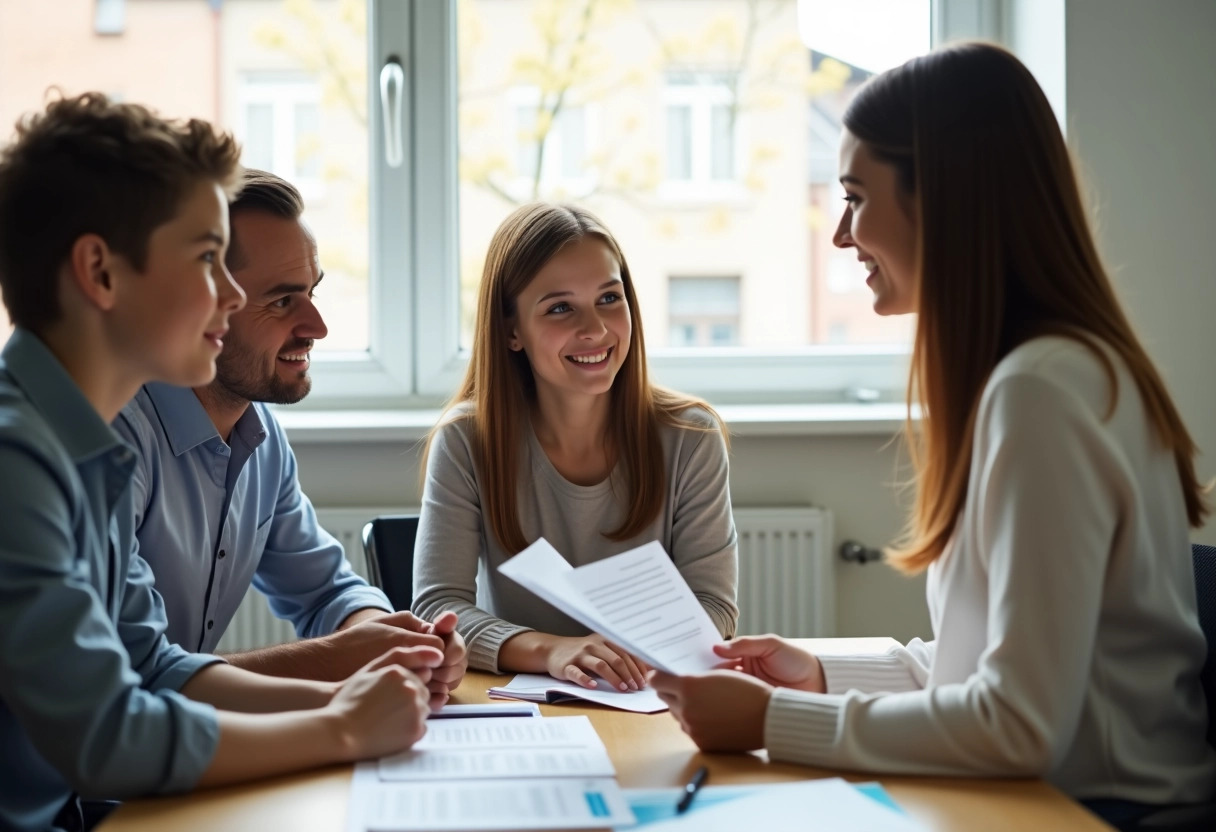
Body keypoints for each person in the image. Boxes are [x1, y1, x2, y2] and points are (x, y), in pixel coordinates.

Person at [650, 42, 1216, 823]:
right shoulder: (1041, 374)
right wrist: (815, 670)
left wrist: (772, 722)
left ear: (942, 199)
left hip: (1095, 812)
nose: (843, 235)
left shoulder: (1042, 393)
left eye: (855, 196)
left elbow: (1017, 726)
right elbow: (978, 672)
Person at [0, 93, 439, 832]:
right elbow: (109, 738)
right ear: (100, 273)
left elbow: (154, 669)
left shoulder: (85, 447)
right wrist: (340, 728)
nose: (231, 295)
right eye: (208, 259)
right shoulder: (17, 460)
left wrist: (352, 699)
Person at [113, 170, 466, 701]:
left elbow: (327, 592)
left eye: (312, 291)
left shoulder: (260, 438)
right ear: (198, 303)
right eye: (281, 301)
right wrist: (337, 662)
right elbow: (133, 681)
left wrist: (391, 638)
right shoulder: (114, 439)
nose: (317, 326)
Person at [413, 202, 739, 691]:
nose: (596, 329)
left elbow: (715, 607)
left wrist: (622, 659)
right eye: (560, 308)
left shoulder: (691, 437)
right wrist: (554, 650)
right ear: (512, 331)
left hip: (649, 697)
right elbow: (439, 608)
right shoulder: (466, 441)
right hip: (527, 705)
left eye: (610, 298)